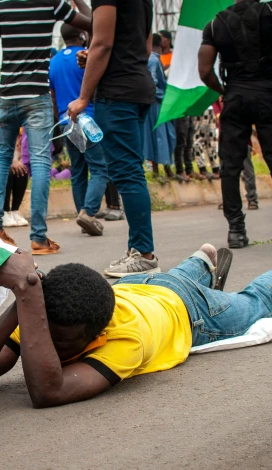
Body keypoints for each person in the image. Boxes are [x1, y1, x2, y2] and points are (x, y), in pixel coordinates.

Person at [0, 239, 272, 408]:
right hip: (136, 287)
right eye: (44, 331)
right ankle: (202, 262)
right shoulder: (48, 315)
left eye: (64, 343)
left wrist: (27, 289)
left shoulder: (125, 341)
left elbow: (47, 392)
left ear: (98, 336)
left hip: (189, 308)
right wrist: (22, 301)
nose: (47, 344)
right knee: (165, 278)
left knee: (256, 305)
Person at [0, 0, 92, 255]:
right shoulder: (51, 3)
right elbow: (91, 22)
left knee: (1, 157)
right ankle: (39, 238)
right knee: (41, 160)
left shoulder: (1, 7)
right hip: (36, 96)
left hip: (8, 94)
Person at [199, 0, 272, 250]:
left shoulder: (215, 24)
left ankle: (236, 231)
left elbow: (205, 72)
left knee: (230, 166)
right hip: (268, 93)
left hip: (235, 95)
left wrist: (224, 90)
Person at [67, 0, 161, 277]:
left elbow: (103, 43)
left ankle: (144, 253)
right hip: (139, 86)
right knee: (132, 170)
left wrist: (84, 97)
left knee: (128, 172)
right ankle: (138, 250)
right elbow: (141, 49)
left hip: (118, 92)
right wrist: (94, 57)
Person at [49, 23, 110, 237]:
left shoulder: (54, 61)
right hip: (88, 119)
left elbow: (53, 96)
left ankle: (81, 213)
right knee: (100, 168)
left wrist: (61, 118)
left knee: (78, 170)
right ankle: (89, 212)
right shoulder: (86, 55)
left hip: (67, 121)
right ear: (82, 35)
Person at [144, 33, 180, 182]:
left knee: (166, 136)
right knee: (159, 137)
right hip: (156, 105)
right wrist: (165, 97)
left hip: (157, 103)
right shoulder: (153, 60)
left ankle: (166, 169)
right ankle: (159, 171)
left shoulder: (152, 59)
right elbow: (152, 84)